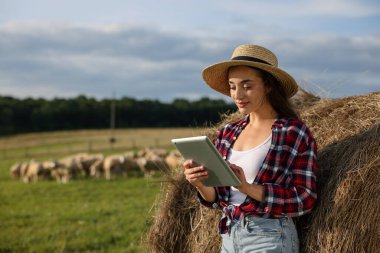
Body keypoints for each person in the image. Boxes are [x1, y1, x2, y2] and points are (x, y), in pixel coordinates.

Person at [183, 45, 317, 253]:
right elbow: (217, 198)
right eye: (232, 86)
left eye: (247, 86)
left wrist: (247, 188)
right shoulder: (228, 132)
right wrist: (200, 183)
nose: (238, 95)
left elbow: (304, 198)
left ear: (268, 85)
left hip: (270, 237)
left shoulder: (293, 132)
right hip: (229, 235)